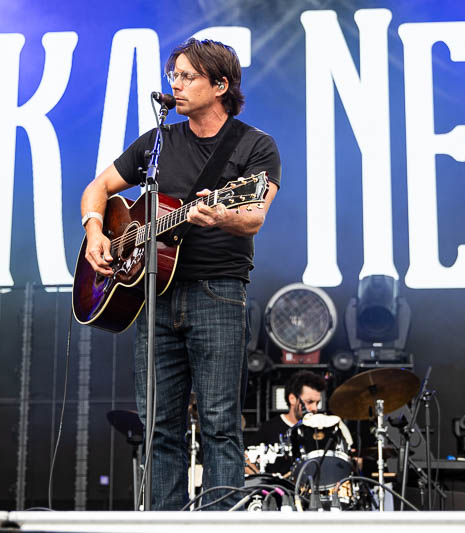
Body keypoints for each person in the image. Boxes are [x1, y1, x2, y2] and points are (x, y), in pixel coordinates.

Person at [80, 38, 280, 510]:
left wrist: (222, 214)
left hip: (218, 293)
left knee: (219, 423)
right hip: (155, 294)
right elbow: (98, 187)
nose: (176, 84)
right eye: (174, 75)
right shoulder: (158, 143)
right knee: (158, 425)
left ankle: (220, 521)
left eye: (188, 76)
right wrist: (95, 231)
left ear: (221, 85)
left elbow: (254, 215)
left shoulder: (255, 146)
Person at [249, 370, 326, 475]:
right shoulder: (269, 428)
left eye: (317, 403)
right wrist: (262, 480)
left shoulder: (320, 430)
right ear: (292, 399)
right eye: (310, 402)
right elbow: (245, 459)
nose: (314, 408)